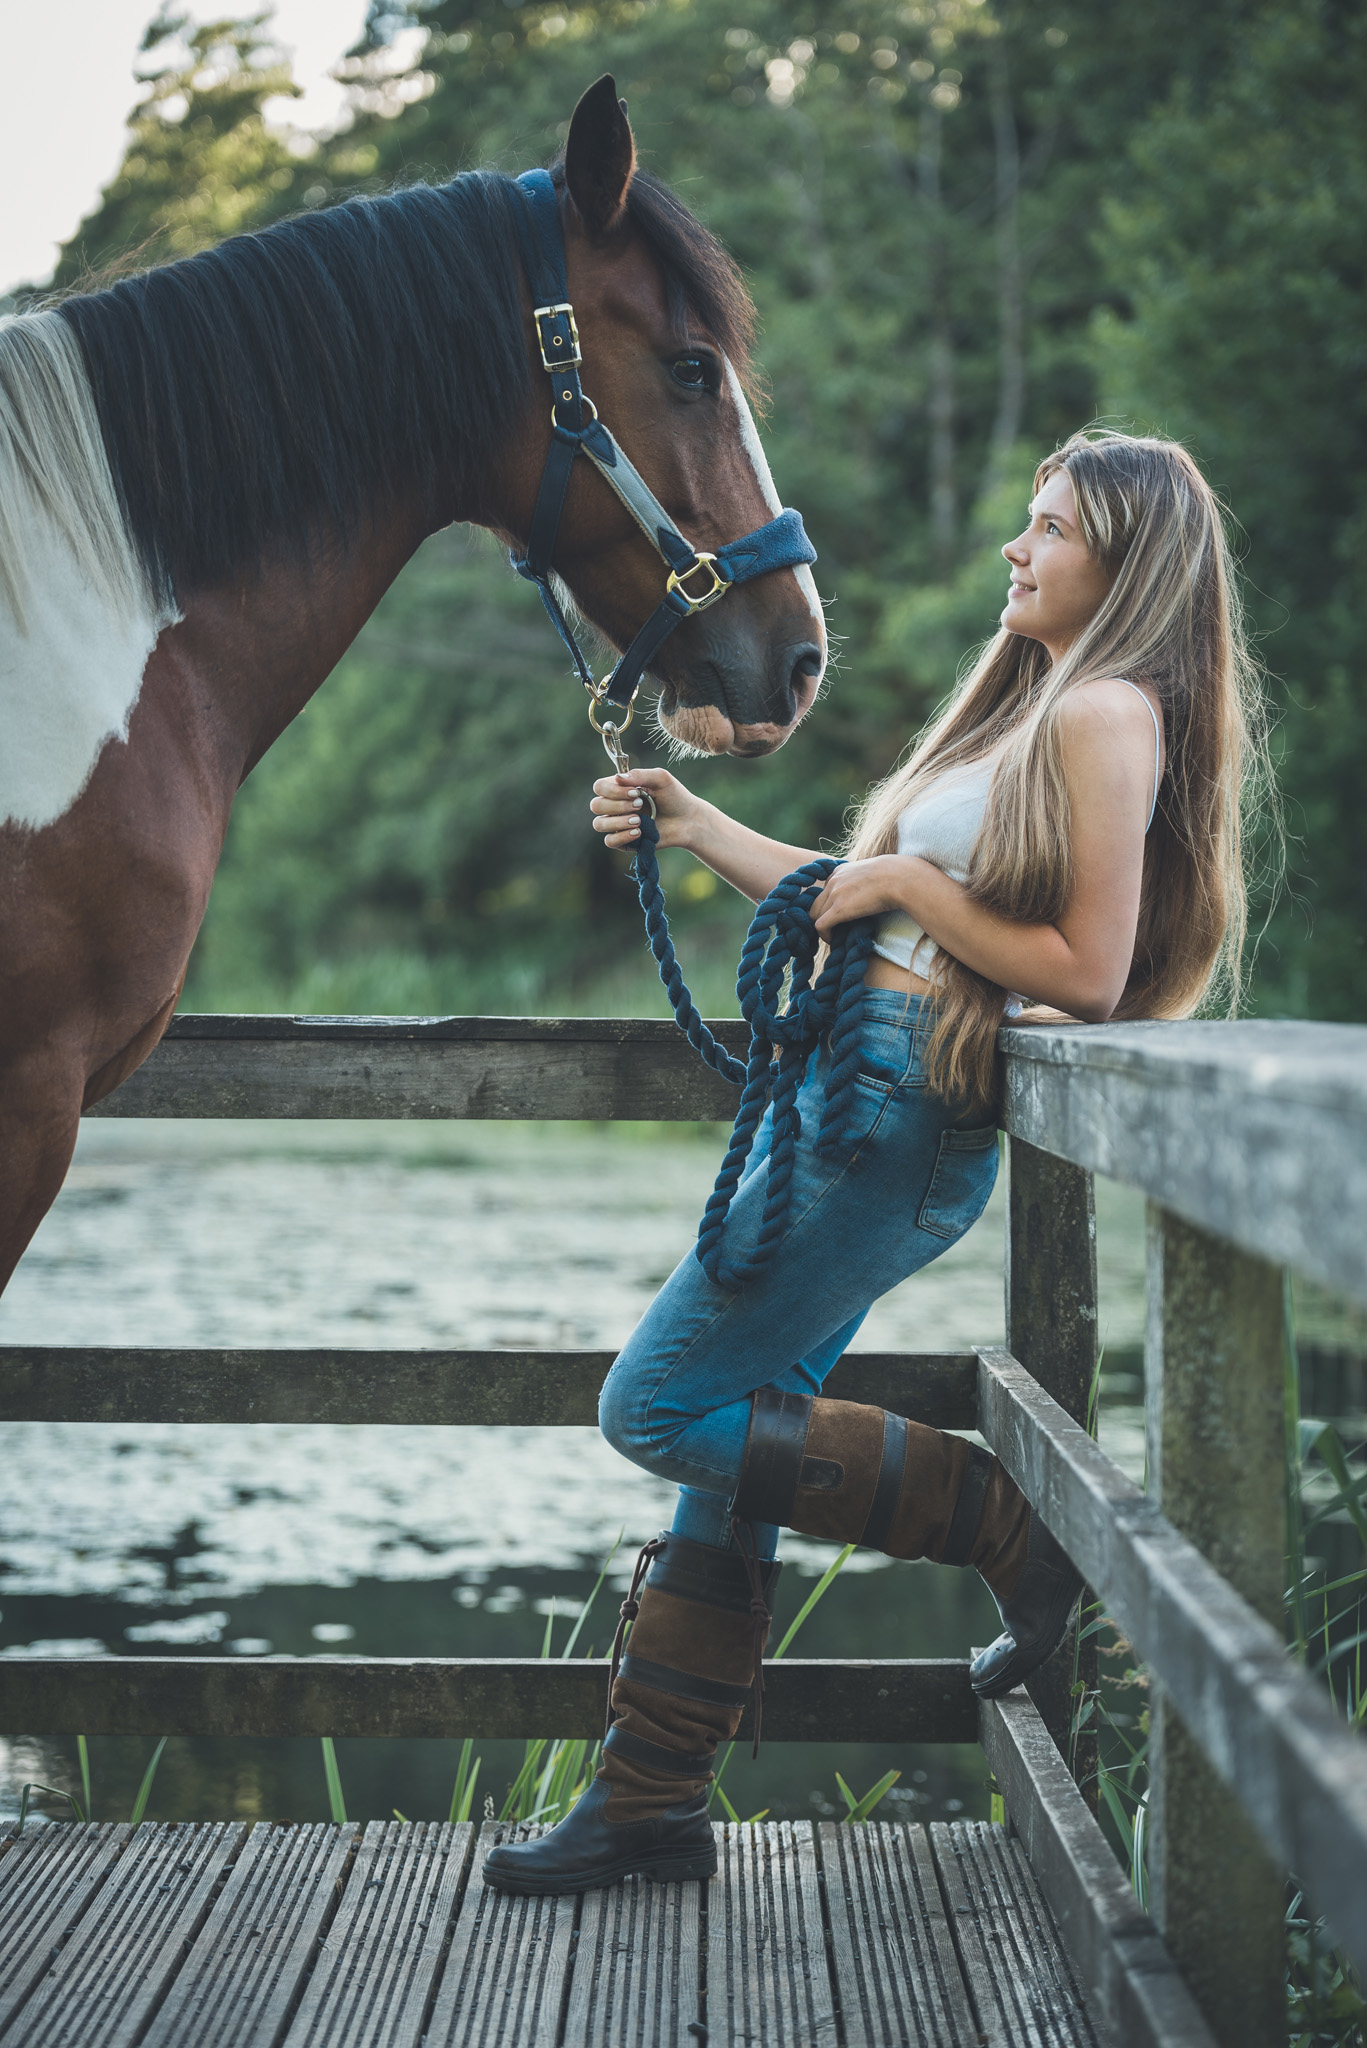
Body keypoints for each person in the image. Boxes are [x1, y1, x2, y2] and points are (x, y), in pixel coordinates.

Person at [482, 427, 1266, 1896]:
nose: (1016, 549)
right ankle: (651, 1800)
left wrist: (906, 878)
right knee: (739, 1444)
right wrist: (700, 819)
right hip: (849, 1089)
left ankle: (1013, 1529)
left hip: (899, 1113)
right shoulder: (1026, 709)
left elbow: (1089, 971)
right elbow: (870, 910)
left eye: (1050, 528)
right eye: (1026, 521)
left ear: (1128, 559)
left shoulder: (1109, 714)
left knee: (656, 1405)